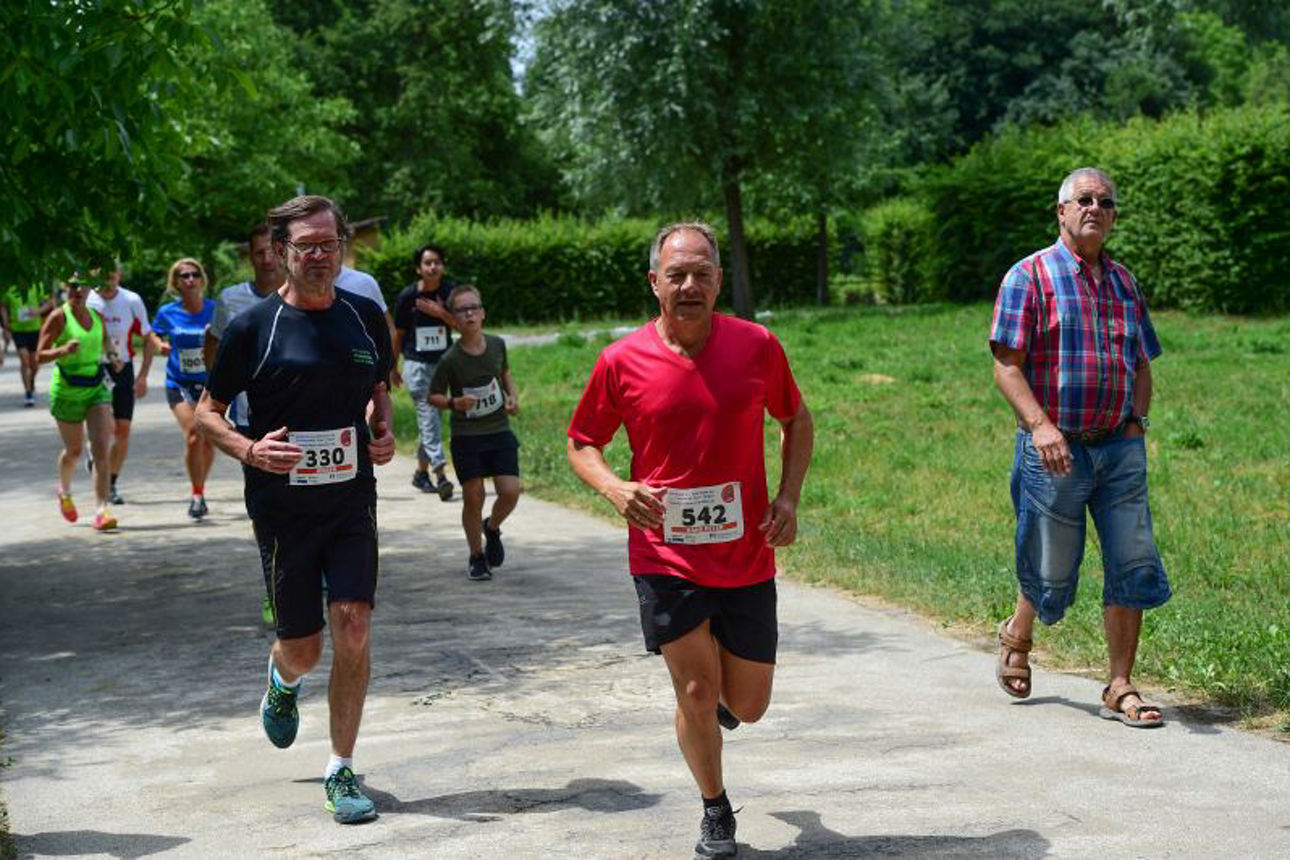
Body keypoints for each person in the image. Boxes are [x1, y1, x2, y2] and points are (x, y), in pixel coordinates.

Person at [567, 222, 813, 858]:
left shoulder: (756, 346)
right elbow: (582, 442)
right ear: (655, 283)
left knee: (748, 705)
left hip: (744, 551)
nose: (689, 285)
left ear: (718, 281)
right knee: (697, 691)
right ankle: (715, 808)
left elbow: (795, 418)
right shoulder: (620, 361)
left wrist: (788, 497)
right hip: (664, 553)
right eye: (676, 275)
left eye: (702, 273)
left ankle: (717, 713)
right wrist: (616, 489)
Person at [195, 194, 395, 824]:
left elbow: (378, 389)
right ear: (280, 251)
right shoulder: (253, 328)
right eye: (306, 246)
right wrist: (251, 450)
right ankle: (283, 680)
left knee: (354, 624)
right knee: (304, 649)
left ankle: (341, 769)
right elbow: (207, 413)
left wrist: (381, 428)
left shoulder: (363, 315)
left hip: (351, 498)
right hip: (284, 510)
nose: (319, 256)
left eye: (329, 244)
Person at [989, 167, 1169, 728]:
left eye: (1105, 202)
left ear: (1113, 217)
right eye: (1084, 199)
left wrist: (1136, 422)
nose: (1095, 208)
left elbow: (1142, 362)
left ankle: (1120, 685)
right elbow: (1006, 365)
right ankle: (1019, 631)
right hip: (1054, 451)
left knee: (1132, 560)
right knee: (1051, 567)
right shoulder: (1029, 276)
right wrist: (1041, 427)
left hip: (1119, 448)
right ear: (1062, 211)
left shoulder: (1125, 284)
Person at [428, 285, 520, 581]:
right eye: (462, 310)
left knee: (510, 491)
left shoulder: (497, 344)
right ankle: (476, 555)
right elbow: (433, 396)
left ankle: (491, 527)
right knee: (473, 494)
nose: (469, 314)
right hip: (466, 435)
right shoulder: (450, 359)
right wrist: (454, 403)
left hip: (498, 429)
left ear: (483, 313)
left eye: (474, 308)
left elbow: (504, 373)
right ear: (453, 318)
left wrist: (512, 397)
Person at [36, 276, 124, 531]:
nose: (77, 290)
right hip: (67, 392)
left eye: (82, 285)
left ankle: (101, 510)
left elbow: (106, 342)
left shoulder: (97, 316)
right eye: (72, 285)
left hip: (96, 388)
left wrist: (113, 356)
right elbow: (39, 355)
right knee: (74, 451)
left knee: (101, 448)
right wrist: (62, 350)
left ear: (89, 289)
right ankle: (64, 491)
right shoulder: (58, 317)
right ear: (66, 289)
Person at [152, 258, 217, 520]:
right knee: (193, 434)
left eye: (194, 275)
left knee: (209, 442)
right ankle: (197, 495)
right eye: (184, 276)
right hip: (179, 382)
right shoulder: (167, 312)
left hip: (210, 384)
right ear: (176, 283)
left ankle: (201, 488)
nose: (190, 279)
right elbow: (153, 333)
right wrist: (159, 344)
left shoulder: (215, 309)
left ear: (202, 279)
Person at [86, 263, 156, 504]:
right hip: (95, 368)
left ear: (119, 275)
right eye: (103, 273)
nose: (108, 278)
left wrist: (143, 375)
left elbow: (148, 338)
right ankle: (95, 455)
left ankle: (112, 482)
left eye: (112, 273)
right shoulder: (88, 299)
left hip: (123, 368)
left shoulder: (131, 300)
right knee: (104, 430)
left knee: (122, 430)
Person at [392, 244, 456, 500]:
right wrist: (392, 366)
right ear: (418, 268)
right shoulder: (408, 296)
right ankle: (441, 474)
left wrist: (441, 312)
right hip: (416, 365)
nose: (432, 267)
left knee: (431, 421)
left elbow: (462, 324)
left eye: (437, 262)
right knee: (428, 415)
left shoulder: (450, 292)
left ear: (443, 266)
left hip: (443, 365)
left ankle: (420, 472)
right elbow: (398, 334)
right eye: (427, 263)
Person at [4, 284, 56, 407]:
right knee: (25, 361)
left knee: (35, 364)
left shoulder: (36, 285)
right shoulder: (9, 287)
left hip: (35, 330)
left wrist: (36, 312)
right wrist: (6, 324)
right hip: (18, 330)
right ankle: (28, 393)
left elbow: (50, 303)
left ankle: (31, 380)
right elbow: (3, 306)